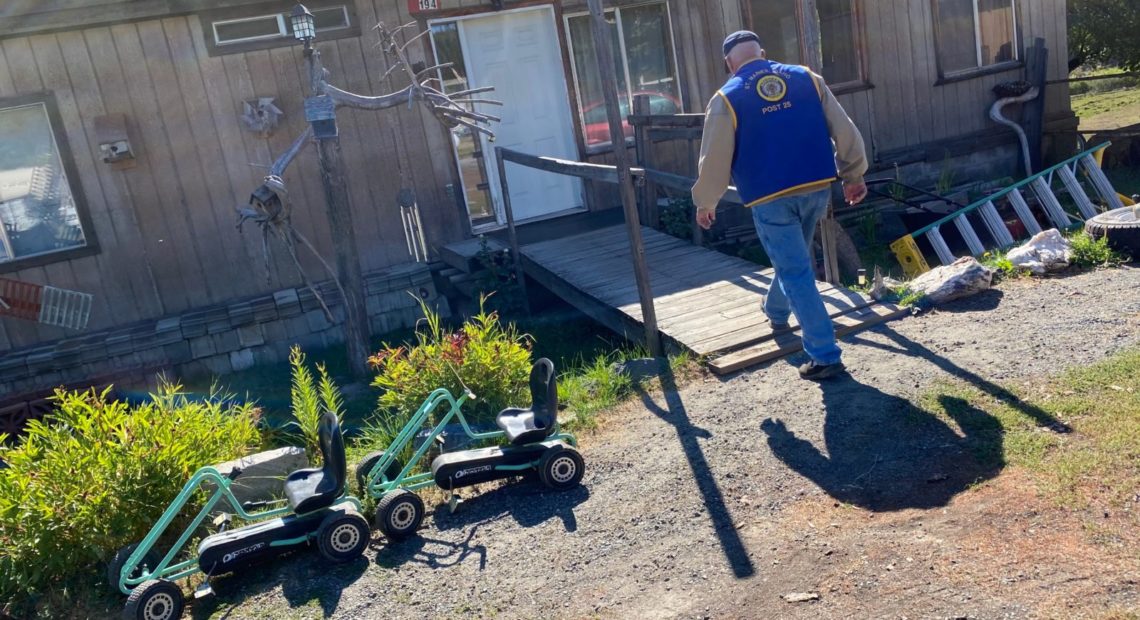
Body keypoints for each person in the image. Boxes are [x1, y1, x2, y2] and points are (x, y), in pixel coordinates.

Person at [692, 30, 869, 381]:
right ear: (762, 52)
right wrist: (854, 174)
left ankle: (824, 354)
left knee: (796, 270)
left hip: (770, 197)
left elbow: (714, 157)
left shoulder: (726, 97)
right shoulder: (807, 78)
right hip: (816, 187)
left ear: (729, 63)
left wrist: (705, 201)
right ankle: (775, 310)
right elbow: (843, 128)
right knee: (795, 258)